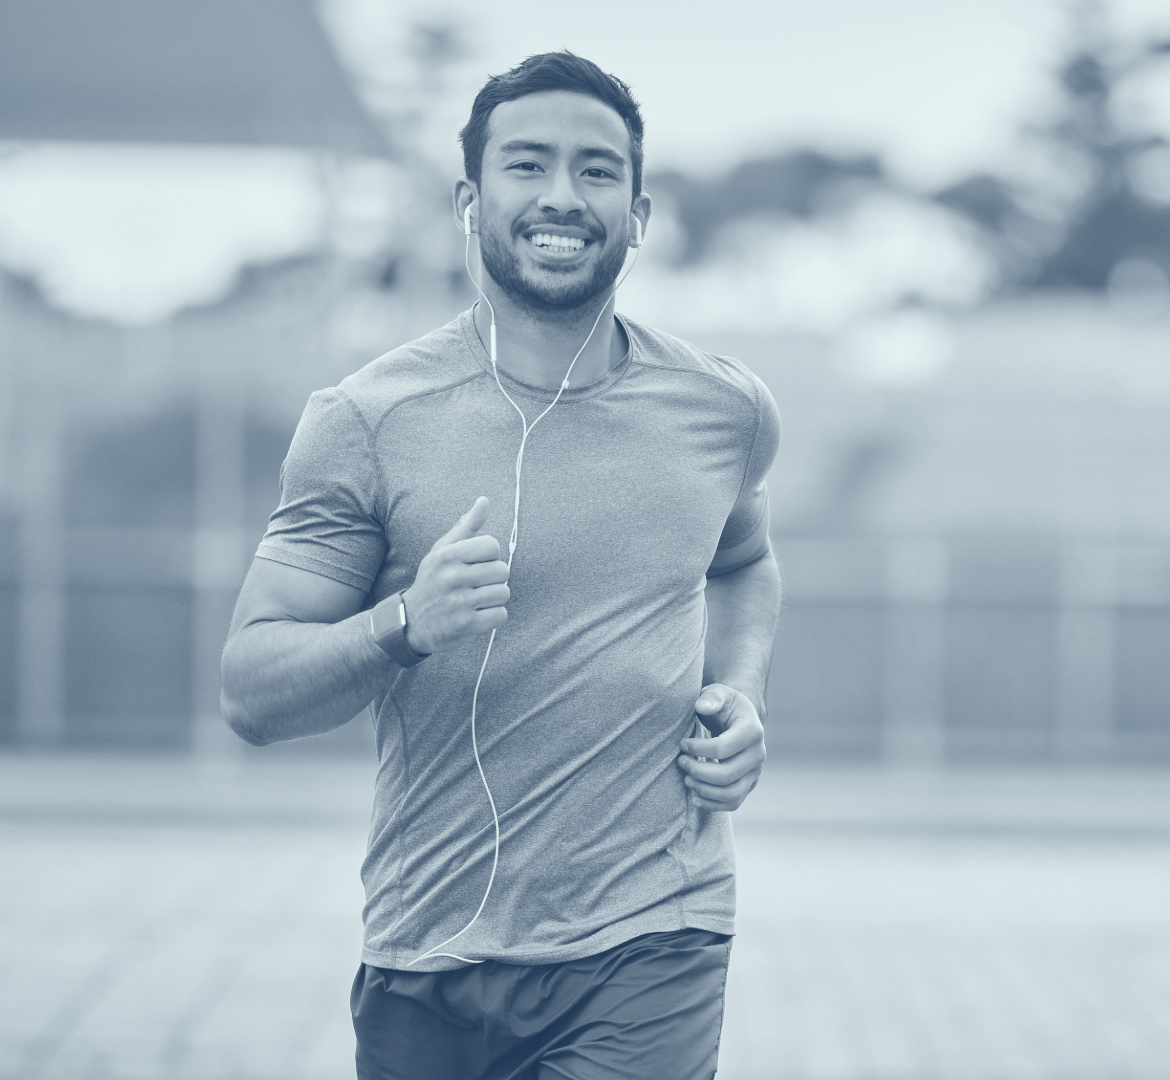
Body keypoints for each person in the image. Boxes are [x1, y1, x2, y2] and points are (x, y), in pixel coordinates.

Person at [221, 51, 780, 1080]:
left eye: (597, 170)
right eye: (529, 165)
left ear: (641, 212)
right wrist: (404, 626)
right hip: (426, 949)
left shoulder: (723, 409)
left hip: (656, 934)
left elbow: (743, 561)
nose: (563, 195)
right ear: (472, 203)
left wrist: (738, 692)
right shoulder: (367, 421)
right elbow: (253, 692)